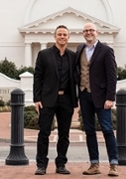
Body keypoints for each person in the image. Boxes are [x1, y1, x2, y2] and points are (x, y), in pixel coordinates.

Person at [33, 25, 78, 175]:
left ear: (68, 37)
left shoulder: (73, 56)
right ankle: (41, 165)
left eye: (65, 34)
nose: (62, 37)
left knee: (64, 134)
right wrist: (37, 99)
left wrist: (77, 100)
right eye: (59, 34)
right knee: (44, 132)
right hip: (47, 99)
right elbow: (38, 77)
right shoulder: (44, 54)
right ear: (55, 36)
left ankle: (61, 164)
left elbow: (77, 78)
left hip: (66, 99)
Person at [76, 22, 119, 177]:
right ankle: (94, 164)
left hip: (102, 98)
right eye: (86, 30)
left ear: (97, 32)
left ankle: (113, 164)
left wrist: (110, 97)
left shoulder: (106, 50)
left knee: (107, 129)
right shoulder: (80, 49)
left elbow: (112, 76)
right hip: (84, 95)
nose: (89, 32)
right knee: (89, 131)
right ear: (83, 33)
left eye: (91, 30)